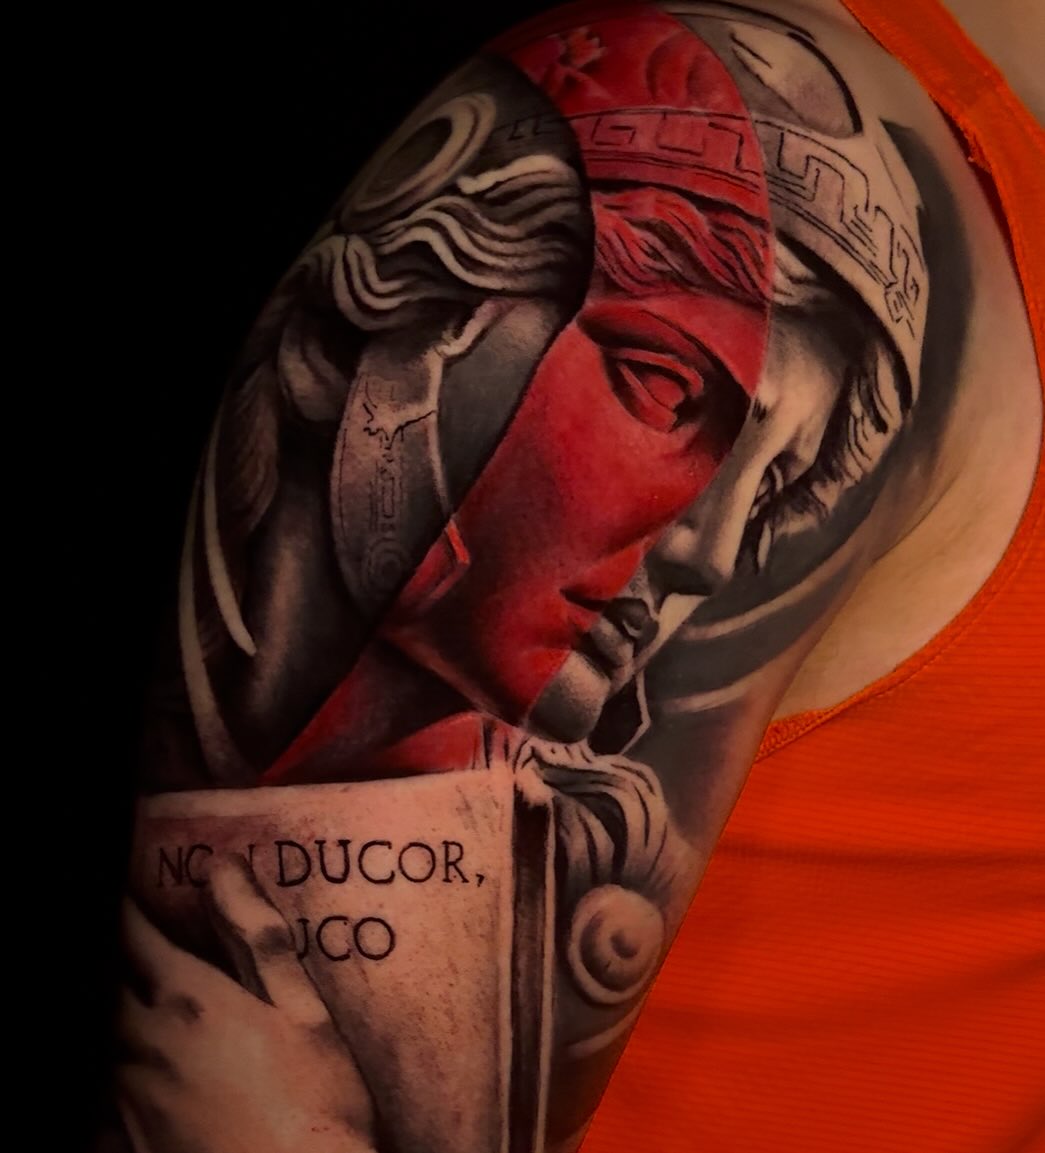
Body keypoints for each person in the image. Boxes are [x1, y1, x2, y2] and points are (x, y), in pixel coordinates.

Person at [111, 1, 1044, 1152]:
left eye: (774, 486)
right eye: (665, 391)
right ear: (407, 315)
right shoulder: (814, 137)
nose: (708, 555)